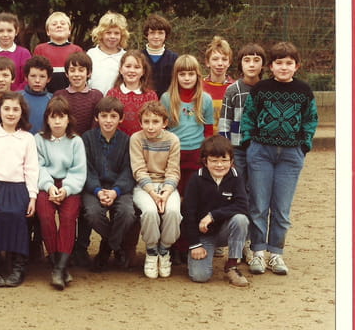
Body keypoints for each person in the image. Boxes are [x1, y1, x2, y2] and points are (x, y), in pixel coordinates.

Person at [240, 41, 318, 276]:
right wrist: (249, 142)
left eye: (289, 63)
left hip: (291, 155)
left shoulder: (304, 91)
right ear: (271, 66)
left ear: (297, 66)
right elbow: (249, 116)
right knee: (259, 206)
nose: (284, 67)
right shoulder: (261, 88)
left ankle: (276, 253)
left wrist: (304, 145)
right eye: (279, 63)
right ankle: (258, 252)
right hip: (261, 153)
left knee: (282, 208)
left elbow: (310, 119)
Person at [0, 91, 39, 287]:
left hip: (19, 187)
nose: (11, 113)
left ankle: (18, 266)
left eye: (15, 109)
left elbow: (31, 168)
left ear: (22, 113)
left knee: (18, 215)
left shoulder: (27, 138)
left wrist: (32, 196)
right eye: (6, 109)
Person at [54, 51, 104, 265]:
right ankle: (66, 245)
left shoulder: (96, 96)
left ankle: (82, 246)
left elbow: (96, 125)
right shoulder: (59, 95)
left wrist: (84, 147)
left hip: (88, 154)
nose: (76, 74)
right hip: (63, 154)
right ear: (66, 73)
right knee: (68, 203)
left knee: (84, 203)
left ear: (88, 73)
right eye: (72, 70)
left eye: (81, 70)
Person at [182, 135, 250, 287]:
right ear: (205, 161)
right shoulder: (196, 179)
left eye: (224, 160)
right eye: (214, 161)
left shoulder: (236, 177)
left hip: (225, 230)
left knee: (241, 219)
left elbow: (242, 206)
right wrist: (195, 244)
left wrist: (212, 216)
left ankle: (232, 265)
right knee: (200, 276)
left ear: (231, 161)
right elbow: (188, 213)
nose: (219, 165)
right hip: (203, 234)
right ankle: (201, 253)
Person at [34, 97, 86, 290]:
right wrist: (49, 186)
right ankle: (58, 264)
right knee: (46, 215)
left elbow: (78, 170)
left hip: (69, 185)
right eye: (53, 117)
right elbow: (38, 166)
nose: (57, 122)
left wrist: (66, 189)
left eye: (61, 117)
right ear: (47, 119)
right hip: (46, 184)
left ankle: (59, 268)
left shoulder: (76, 141)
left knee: (68, 217)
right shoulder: (39, 139)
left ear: (68, 119)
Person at [81, 96, 137, 270]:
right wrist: (98, 191)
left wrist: (115, 191)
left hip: (119, 188)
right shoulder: (87, 138)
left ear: (121, 119)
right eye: (104, 116)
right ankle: (116, 245)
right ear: (96, 117)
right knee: (92, 213)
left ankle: (106, 248)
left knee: (127, 213)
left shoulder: (126, 140)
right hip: (94, 188)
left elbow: (128, 170)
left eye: (113, 116)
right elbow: (86, 169)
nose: (108, 120)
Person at [129, 101, 181, 279]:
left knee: (173, 212)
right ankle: (151, 251)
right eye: (146, 121)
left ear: (164, 123)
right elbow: (139, 169)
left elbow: (173, 171)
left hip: (167, 186)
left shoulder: (172, 140)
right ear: (140, 122)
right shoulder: (136, 139)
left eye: (155, 121)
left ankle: (164, 250)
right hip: (144, 187)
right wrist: (152, 193)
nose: (150, 126)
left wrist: (165, 193)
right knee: (150, 212)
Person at [160, 54, 214, 197]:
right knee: (175, 194)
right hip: (174, 154)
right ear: (175, 76)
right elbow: (162, 130)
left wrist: (205, 154)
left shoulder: (206, 99)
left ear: (197, 75)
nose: (187, 78)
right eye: (182, 74)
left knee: (193, 194)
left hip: (197, 154)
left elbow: (208, 131)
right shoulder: (166, 99)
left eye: (191, 74)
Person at [219, 43, 266, 188]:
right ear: (240, 64)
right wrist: (226, 149)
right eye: (247, 60)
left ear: (263, 65)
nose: (251, 65)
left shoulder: (267, 89)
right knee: (238, 184)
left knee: (256, 186)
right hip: (237, 148)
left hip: (260, 147)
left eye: (256, 60)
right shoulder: (232, 90)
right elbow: (225, 122)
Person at [106, 50, 159, 136]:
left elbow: (155, 121)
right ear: (121, 70)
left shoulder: (150, 96)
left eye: (137, 67)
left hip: (143, 141)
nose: (132, 70)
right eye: (128, 66)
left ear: (143, 71)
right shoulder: (112, 94)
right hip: (118, 141)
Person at [32, 11, 84, 92]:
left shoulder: (77, 50)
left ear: (69, 30)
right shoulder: (40, 49)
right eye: (54, 24)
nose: (59, 26)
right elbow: (36, 74)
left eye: (63, 23)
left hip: (71, 93)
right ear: (48, 31)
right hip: (46, 93)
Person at [87, 11, 129, 94]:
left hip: (117, 100)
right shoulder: (91, 54)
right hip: (93, 99)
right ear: (101, 34)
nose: (112, 36)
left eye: (116, 33)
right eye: (108, 33)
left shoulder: (125, 57)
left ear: (122, 35)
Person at [141, 13, 179, 97]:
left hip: (168, 101)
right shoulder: (138, 57)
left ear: (166, 35)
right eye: (152, 33)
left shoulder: (174, 58)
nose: (156, 36)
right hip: (143, 101)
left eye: (160, 33)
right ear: (147, 34)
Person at [202, 36, 234, 134]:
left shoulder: (234, 88)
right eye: (215, 59)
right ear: (207, 62)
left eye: (224, 59)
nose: (220, 63)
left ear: (229, 62)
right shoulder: (199, 87)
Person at [20, 55, 53, 134]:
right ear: (26, 77)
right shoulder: (17, 98)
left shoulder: (53, 99)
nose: (37, 80)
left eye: (42, 76)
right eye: (33, 76)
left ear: (48, 79)